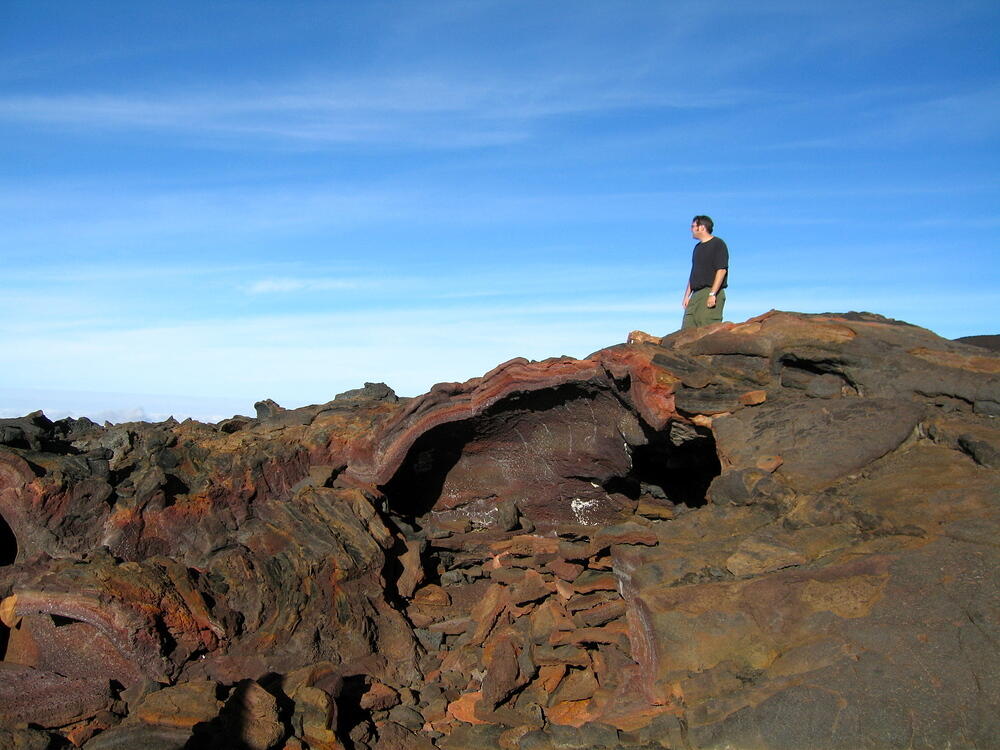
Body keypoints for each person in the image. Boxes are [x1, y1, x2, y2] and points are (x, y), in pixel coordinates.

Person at [681, 215, 728, 329]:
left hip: (710, 292)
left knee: (706, 330)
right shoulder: (697, 248)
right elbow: (694, 273)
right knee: (686, 332)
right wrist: (686, 296)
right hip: (695, 295)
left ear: (701, 227)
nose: (691, 229)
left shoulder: (718, 243)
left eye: (693, 226)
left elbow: (721, 270)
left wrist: (712, 294)